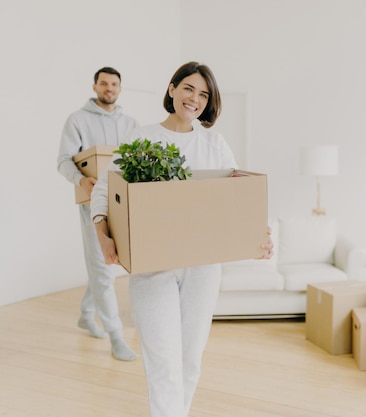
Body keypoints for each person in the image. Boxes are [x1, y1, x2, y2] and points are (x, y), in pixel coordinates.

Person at [90, 61, 274, 417]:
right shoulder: (140, 138)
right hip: (152, 267)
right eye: (188, 88)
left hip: (203, 269)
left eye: (204, 94)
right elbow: (105, 189)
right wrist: (103, 233)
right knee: (163, 362)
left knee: (189, 361)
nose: (195, 99)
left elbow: (239, 199)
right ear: (172, 89)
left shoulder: (215, 144)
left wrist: (258, 234)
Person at [57, 66, 139, 361]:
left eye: (114, 84)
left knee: (106, 265)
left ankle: (85, 314)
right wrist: (81, 180)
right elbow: (64, 160)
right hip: (92, 203)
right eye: (104, 83)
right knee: (103, 268)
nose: (109, 88)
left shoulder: (131, 123)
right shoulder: (77, 120)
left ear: (120, 88)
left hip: (123, 203)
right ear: (95, 87)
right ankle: (116, 336)